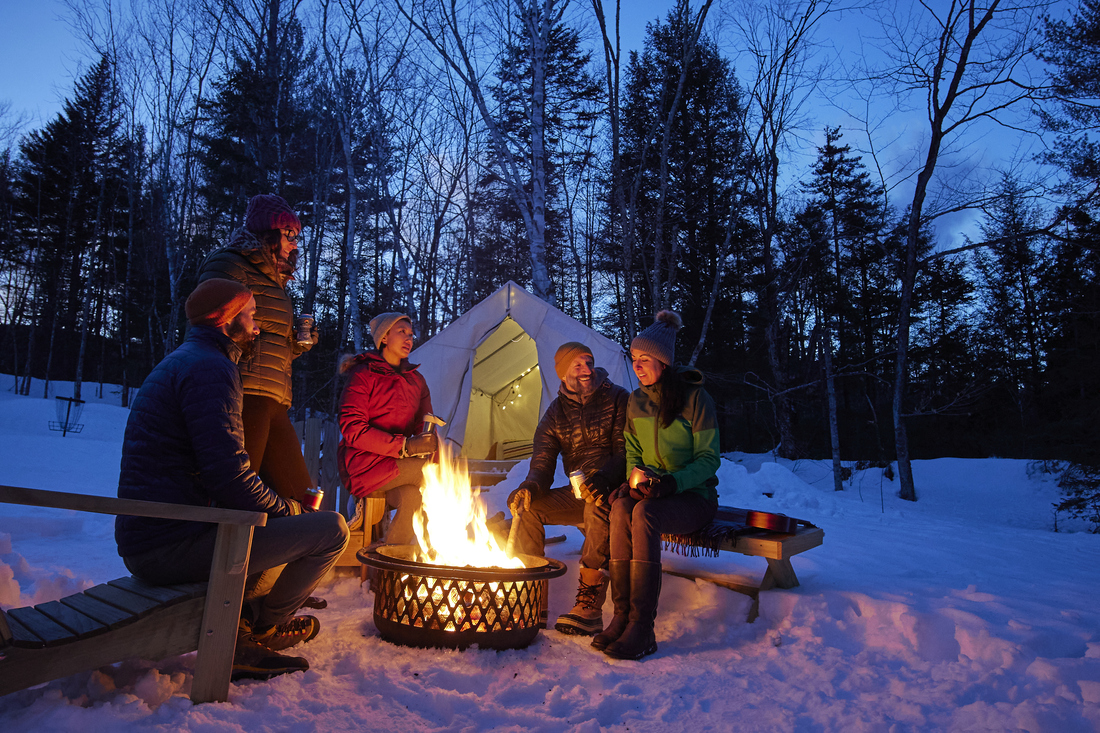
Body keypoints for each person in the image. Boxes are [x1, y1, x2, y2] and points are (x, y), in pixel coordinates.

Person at [115, 279, 350, 681]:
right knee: (330, 529)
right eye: (252, 315)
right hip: (170, 544)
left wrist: (279, 511)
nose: (257, 326)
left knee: (277, 524)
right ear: (228, 319)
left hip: (158, 533)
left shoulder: (186, 360)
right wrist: (288, 510)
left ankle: (246, 626)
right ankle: (262, 630)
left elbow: (219, 471)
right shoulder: (211, 369)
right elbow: (229, 476)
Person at [590, 311, 720, 660]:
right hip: (654, 491)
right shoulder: (637, 401)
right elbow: (632, 449)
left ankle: (643, 628)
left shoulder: (696, 400)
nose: (638, 367)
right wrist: (634, 478)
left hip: (694, 497)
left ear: (663, 361)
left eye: (645, 360)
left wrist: (673, 483)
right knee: (620, 507)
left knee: (646, 513)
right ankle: (622, 616)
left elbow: (709, 459)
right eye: (634, 359)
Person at [197, 193, 317, 501]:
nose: (294, 242)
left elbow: (266, 335)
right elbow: (209, 321)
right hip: (244, 394)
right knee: (237, 495)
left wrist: (297, 343)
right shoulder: (230, 264)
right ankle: (220, 548)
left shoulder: (275, 278)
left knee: (303, 498)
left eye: (296, 236)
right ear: (269, 232)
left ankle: (298, 546)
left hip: (275, 397)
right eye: (289, 234)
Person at [507, 342, 629, 636]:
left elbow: (627, 452)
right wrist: (529, 487)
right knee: (529, 509)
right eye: (577, 365)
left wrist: (603, 479)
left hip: (616, 489)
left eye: (589, 362)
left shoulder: (617, 398)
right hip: (581, 491)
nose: (586, 370)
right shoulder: (555, 414)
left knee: (595, 504)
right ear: (562, 373)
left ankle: (589, 606)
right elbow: (543, 462)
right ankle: (531, 601)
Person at [337, 313, 438, 545]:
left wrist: (429, 445)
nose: (409, 338)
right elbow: (352, 428)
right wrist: (404, 446)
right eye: (401, 332)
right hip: (365, 465)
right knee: (433, 476)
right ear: (383, 338)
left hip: (398, 466)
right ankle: (454, 534)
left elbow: (425, 425)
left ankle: (391, 564)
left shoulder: (417, 381)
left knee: (413, 497)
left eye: (411, 334)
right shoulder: (363, 374)